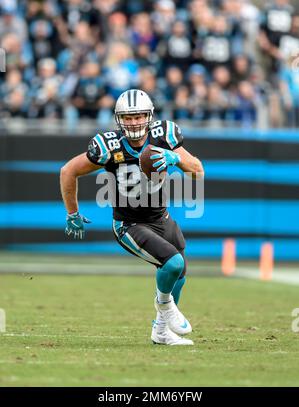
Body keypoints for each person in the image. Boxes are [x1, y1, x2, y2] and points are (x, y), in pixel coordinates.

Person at [60, 89, 204, 346]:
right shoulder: (109, 146)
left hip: (161, 217)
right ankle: (165, 306)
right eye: (128, 117)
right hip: (128, 224)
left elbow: (198, 171)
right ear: (118, 119)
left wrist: (176, 159)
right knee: (171, 263)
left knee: (179, 272)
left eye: (139, 116)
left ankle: (161, 331)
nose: (134, 122)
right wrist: (72, 212)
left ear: (149, 116)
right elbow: (68, 170)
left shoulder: (165, 136)